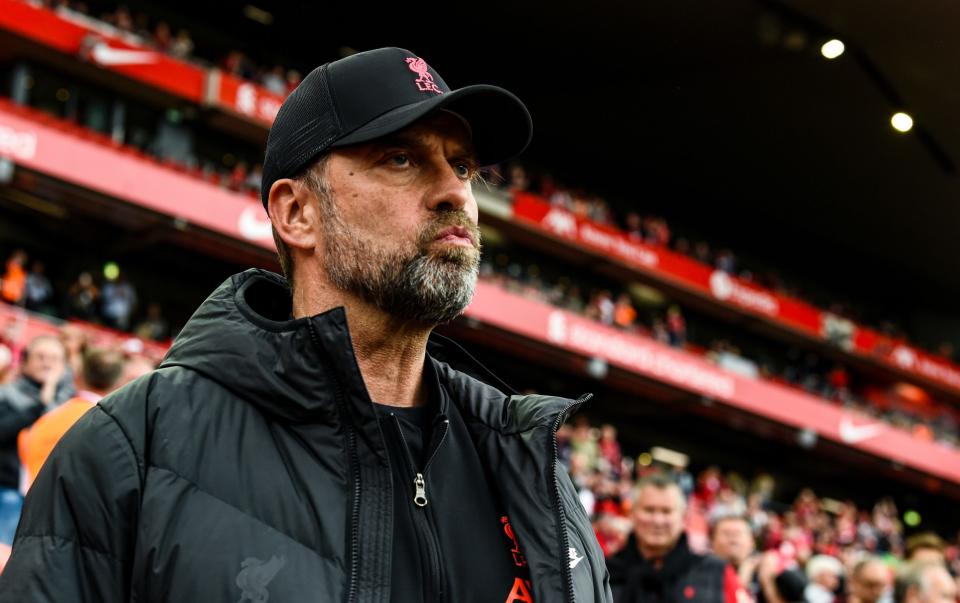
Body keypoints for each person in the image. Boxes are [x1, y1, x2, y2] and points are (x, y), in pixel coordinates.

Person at [0, 47, 611, 602]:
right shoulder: (131, 451)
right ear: (297, 213)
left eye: (462, 166)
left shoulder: (532, 469)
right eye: (400, 158)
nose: (455, 192)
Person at [607, 474, 746, 603]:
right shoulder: (606, 572)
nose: (658, 520)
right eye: (649, 510)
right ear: (632, 513)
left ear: (683, 517)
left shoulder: (717, 572)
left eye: (667, 511)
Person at [18, 346, 125, 489]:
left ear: (78, 377)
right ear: (119, 383)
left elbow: (26, 443)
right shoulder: (114, 425)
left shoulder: (55, 414)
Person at [0, 334, 73, 545]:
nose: (47, 363)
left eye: (54, 358)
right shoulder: (6, 394)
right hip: (10, 493)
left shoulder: (73, 404)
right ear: (24, 361)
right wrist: (41, 403)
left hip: (52, 502)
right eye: (40, 356)